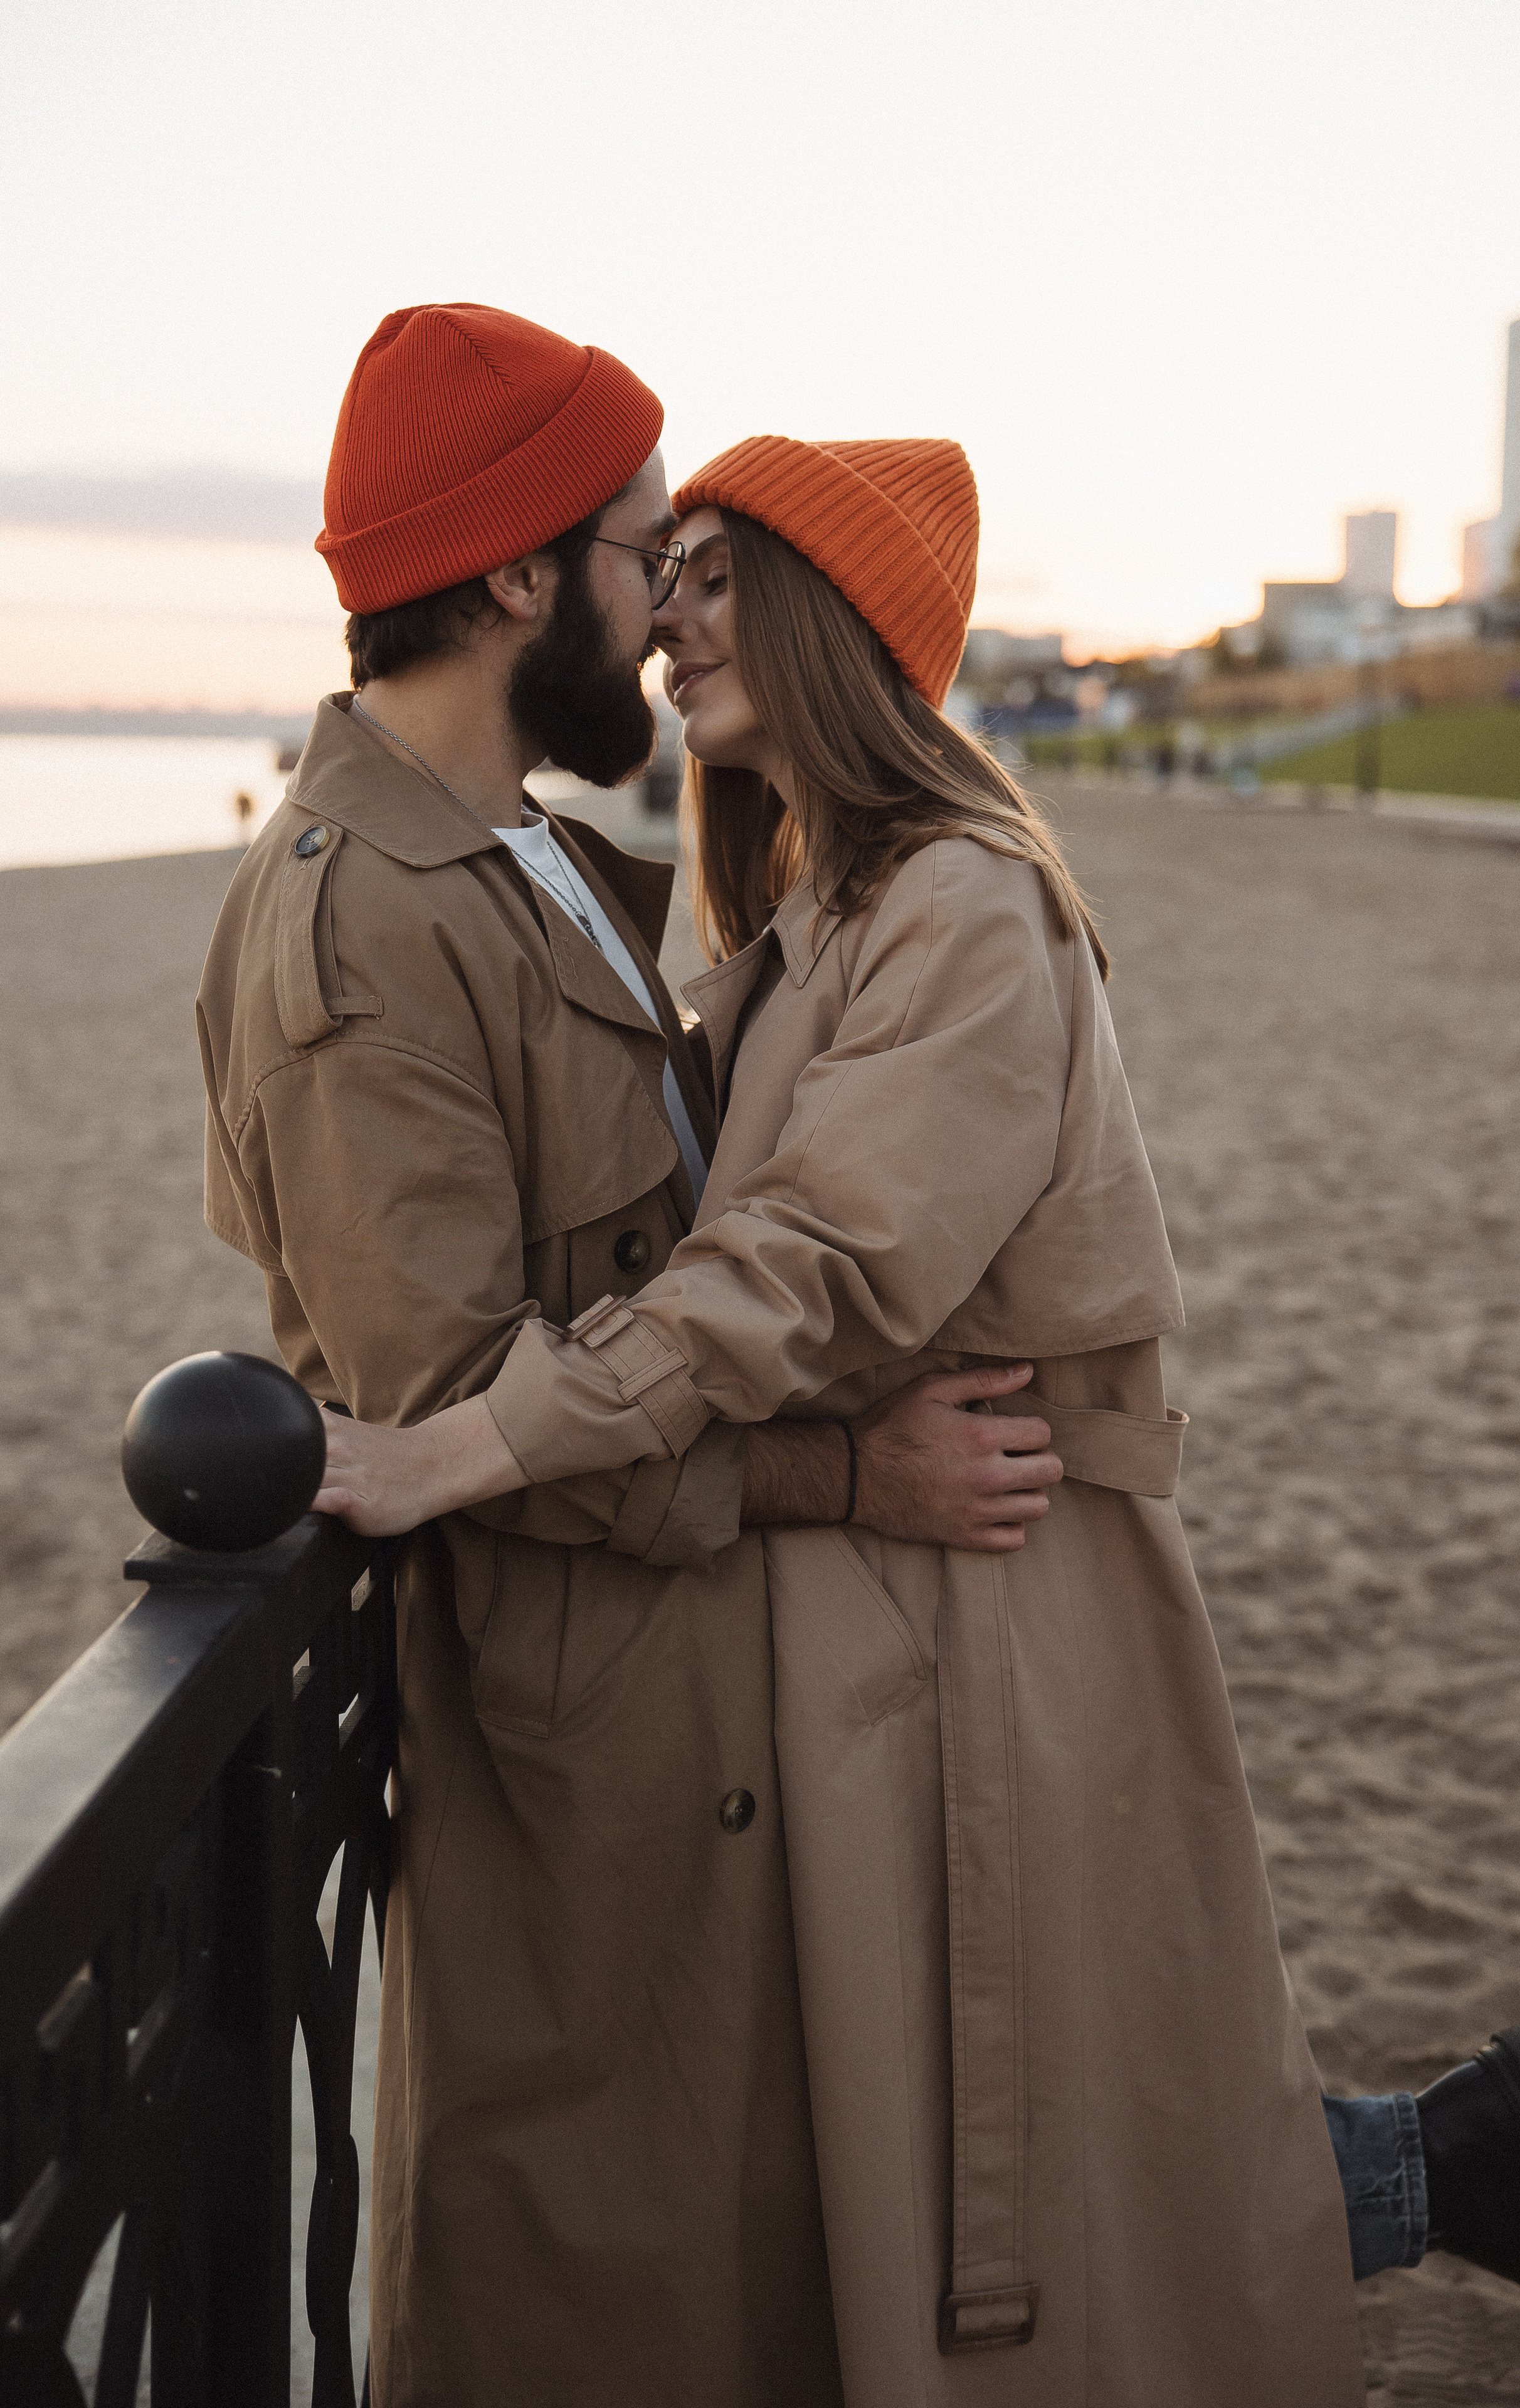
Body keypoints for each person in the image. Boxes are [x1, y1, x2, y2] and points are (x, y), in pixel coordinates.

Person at [319, 428, 1520, 2400]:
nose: (669, 621)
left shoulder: (964, 907)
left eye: (722, 577)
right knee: (981, 2158)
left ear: (836, 618)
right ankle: (1474, 2152)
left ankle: (1470, 2158)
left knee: (1031, 2180)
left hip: (984, 1624)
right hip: (887, 1618)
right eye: (671, 569)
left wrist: (472, 1441)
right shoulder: (819, 911)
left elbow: (813, 1265)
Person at [197, 308, 1072, 2408]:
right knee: (594, 2304)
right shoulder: (361, 918)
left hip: (717, 1715)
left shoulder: (528, 864)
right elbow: (450, 1414)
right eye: (643, 548)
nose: (670, 599)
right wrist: (847, 1478)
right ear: (517, 575)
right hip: (590, 1763)